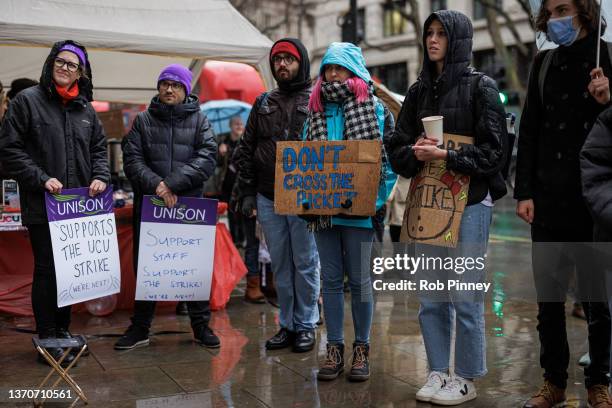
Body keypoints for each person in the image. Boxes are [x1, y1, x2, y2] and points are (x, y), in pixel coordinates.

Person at [388, 10, 507, 405]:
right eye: (429, 33)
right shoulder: (419, 90)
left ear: (458, 40)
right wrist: (417, 154)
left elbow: (494, 153)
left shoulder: (482, 87)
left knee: (464, 294)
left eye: (441, 33)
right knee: (431, 295)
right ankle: (438, 370)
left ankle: (468, 377)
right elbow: (396, 149)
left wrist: (447, 153)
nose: (433, 40)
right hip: (429, 203)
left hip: (470, 202)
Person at [515, 0, 612, 406]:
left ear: (584, 12)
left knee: (597, 302)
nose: (555, 20)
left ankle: (598, 382)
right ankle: (553, 381)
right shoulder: (543, 64)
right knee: (549, 302)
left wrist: (608, 99)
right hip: (549, 201)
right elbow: (530, 129)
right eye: (550, 13)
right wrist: (524, 192)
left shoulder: (606, 58)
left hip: (593, 203)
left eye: (562, 10)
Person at [0, 40, 110, 366]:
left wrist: (101, 176)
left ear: (81, 72)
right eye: (60, 62)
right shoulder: (27, 101)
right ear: (50, 64)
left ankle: (63, 332)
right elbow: (9, 150)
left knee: (70, 273)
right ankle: (47, 336)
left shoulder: (86, 109)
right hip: (43, 202)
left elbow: (99, 150)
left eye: (72, 65)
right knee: (47, 271)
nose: (65, 68)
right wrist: (40, 177)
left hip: (79, 207)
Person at [301, 42, 396, 382]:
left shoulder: (375, 108)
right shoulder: (315, 111)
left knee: (360, 282)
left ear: (354, 70)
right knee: (329, 282)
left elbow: (388, 163)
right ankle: (335, 349)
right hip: (325, 213)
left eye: (339, 68)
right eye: (328, 68)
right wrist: (305, 197)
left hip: (359, 213)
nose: (332, 74)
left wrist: (375, 198)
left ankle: (361, 350)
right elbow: (303, 161)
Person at [116, 64, 219, 350]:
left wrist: (172, 183)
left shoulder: (200, 121)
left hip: (189, 207)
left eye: (175, 84)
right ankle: (140, 328)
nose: (169, 89)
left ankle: (201, 326)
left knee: (193, 267)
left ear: (186, 89)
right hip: (152, 207)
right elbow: (132, 160)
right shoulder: (142, 121)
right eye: (164, 83)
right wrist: (158, 187)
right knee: (148, 267)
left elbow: (208, 158)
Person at [233, 38, 320, 352]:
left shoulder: (316, 98)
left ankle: (307, 324)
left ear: (301, 62)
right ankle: (287, 325)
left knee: (306, 263)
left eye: (289, 59)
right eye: (277, 59)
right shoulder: (263, 102)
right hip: (268, 197)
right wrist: (245, 193)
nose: (282, 64)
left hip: (304, 196)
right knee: (281, 265)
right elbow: (246, 150)